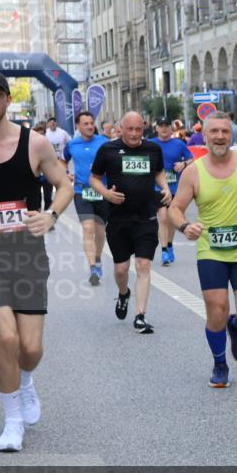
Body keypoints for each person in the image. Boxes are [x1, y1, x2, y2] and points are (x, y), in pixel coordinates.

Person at [0, 70, 73, 452]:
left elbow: (65, 186)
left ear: (7, 99)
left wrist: (50, 216)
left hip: (25, 254)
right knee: (6, 337)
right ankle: (12, 422)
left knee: (30, 349)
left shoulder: (34, 144)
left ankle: (25, 382)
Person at [168, 111, 237, 388]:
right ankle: (220, 363)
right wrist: (185, 226)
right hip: (211, 253)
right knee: (216, 310)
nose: (219, 136)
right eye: (214, 132)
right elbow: (174, 208)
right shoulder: (194, 172)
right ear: (204, 136)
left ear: (232, 135)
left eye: (224, 131)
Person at [89, 111, 171, 333]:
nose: (135, 134)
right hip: (118, 218)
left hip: (146, 216)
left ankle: (140, 315)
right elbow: (94, 178)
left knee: (143, 265)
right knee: (121, 269)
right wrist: (106, 194)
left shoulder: (153, 149)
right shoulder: (108, 150)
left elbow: (159, 171)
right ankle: (123, 293)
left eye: (138, 129)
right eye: (130, 129)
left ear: (143, 129)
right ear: (121, 129)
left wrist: (164, 187)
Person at [62, 111, 110, 285]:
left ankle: (97, 258)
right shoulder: (72, 144)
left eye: (91, 123)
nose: (90, 126)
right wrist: (66, 173)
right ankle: (93, 268)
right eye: (86, 124)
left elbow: (113, 161)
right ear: (78, 126)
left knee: (100, 231)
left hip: (102, 191)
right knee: (88, 228)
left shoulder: (103, 142)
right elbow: (62, 160)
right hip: (82, 192)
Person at [149, 117, 194, 266]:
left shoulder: (179, 144)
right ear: (156, 129)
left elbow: (192, 159)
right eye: (161, 126)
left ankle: (169, 245)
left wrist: (184, 163)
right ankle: (163, 251)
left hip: (175, 186)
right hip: (157, 187)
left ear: (171, 128)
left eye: (166, 126)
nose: (164, 129)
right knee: (162, 217)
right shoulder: (150, 144)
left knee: (171, 219)